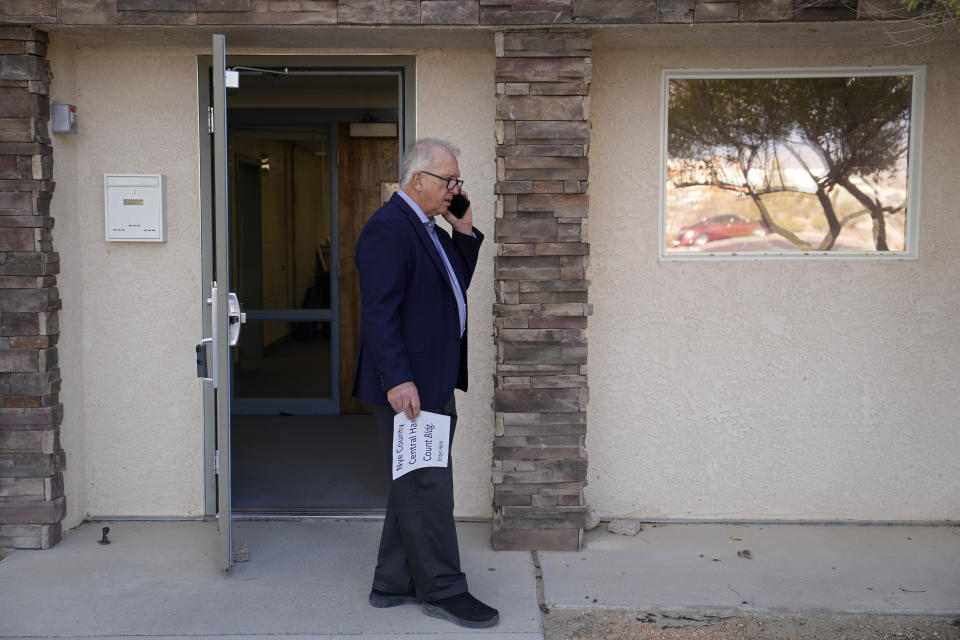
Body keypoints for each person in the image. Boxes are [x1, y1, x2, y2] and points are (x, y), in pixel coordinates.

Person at [352, 138, 499, 629]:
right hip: (408, 387)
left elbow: (453, 286)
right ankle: (443, 590)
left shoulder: (429, 228)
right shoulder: (388, 229)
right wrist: (397, 381)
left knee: (414, 482)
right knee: (428, 486)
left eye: (457, 182)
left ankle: (392, 582)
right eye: (449, 180)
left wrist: (464, 231)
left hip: (430, 381)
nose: (455, 189)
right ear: (419, 180)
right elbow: (379, 312)